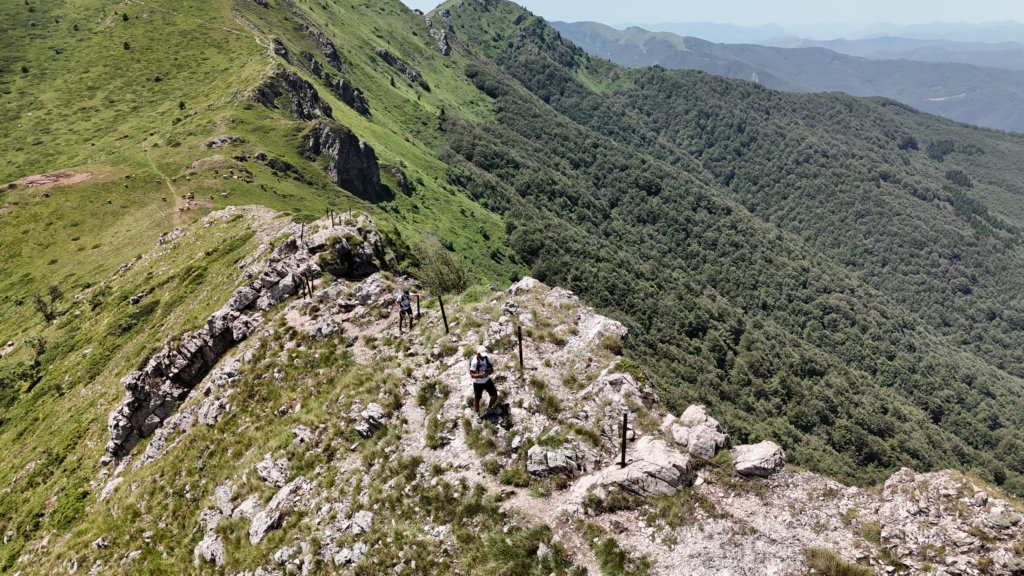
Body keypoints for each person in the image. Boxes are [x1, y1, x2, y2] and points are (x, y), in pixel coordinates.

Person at [469, 345, 497, 418]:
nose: (483, 357)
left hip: (487, 380)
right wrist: (480, 375)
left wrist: (488, 373)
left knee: (494, 395)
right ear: (478, 354)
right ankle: (477, 413)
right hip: (477, 383)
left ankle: (489, 408)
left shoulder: (488, 358)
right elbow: (472, 374)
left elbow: (491, 370)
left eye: (484, 355)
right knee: (477, 398)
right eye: (482, 355)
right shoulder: (474, 362)